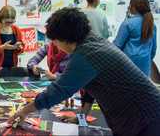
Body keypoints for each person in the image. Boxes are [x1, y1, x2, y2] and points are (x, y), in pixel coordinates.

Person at [9, 8, 160, 136]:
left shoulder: (87, 54)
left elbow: (59, 90)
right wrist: (82, 114)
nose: (55, 45)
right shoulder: (92, 41)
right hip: (140, 115)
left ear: (65, 38)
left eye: (55, 41)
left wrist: (23, 112)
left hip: (145, 118)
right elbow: (92, 83)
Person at [114, 0, 157, 76]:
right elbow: (153, 49)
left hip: (128, 63)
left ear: (133, 7)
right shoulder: (152, 25)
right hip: (145, 64)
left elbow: (117, 46)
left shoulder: (127, 23)